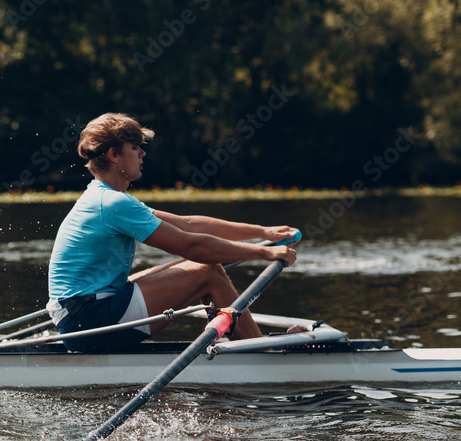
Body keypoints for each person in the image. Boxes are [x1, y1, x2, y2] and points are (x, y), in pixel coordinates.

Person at [47, 112, 299, 352]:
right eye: (135, 147)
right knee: (207, 270)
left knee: (194, 266)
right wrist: (263, 253)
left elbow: (188, 225)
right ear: (114, 154)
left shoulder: (104, 198)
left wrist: (265, 233)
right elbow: (192, 246)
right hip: (88, 324)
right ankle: (262, 352)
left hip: (81, 316)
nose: (143, 153)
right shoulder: (113, 203)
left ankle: (241, 339)